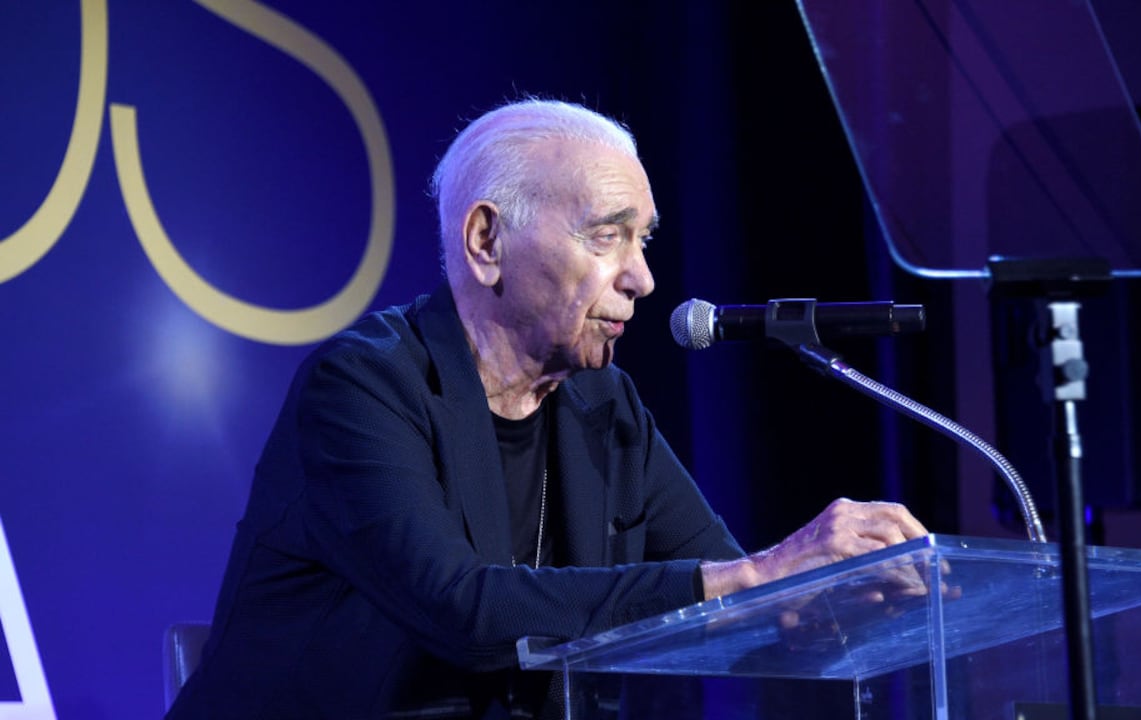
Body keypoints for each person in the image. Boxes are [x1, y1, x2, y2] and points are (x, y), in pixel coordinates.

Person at [166, 97, 929, 719]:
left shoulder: (605, 403)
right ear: (487, 241)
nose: (643, 278)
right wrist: (755, 580)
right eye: (608, 236)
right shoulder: (361, 387)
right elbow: (461, 610)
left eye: (644, 240)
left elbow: (723, 594)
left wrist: (825, 597)